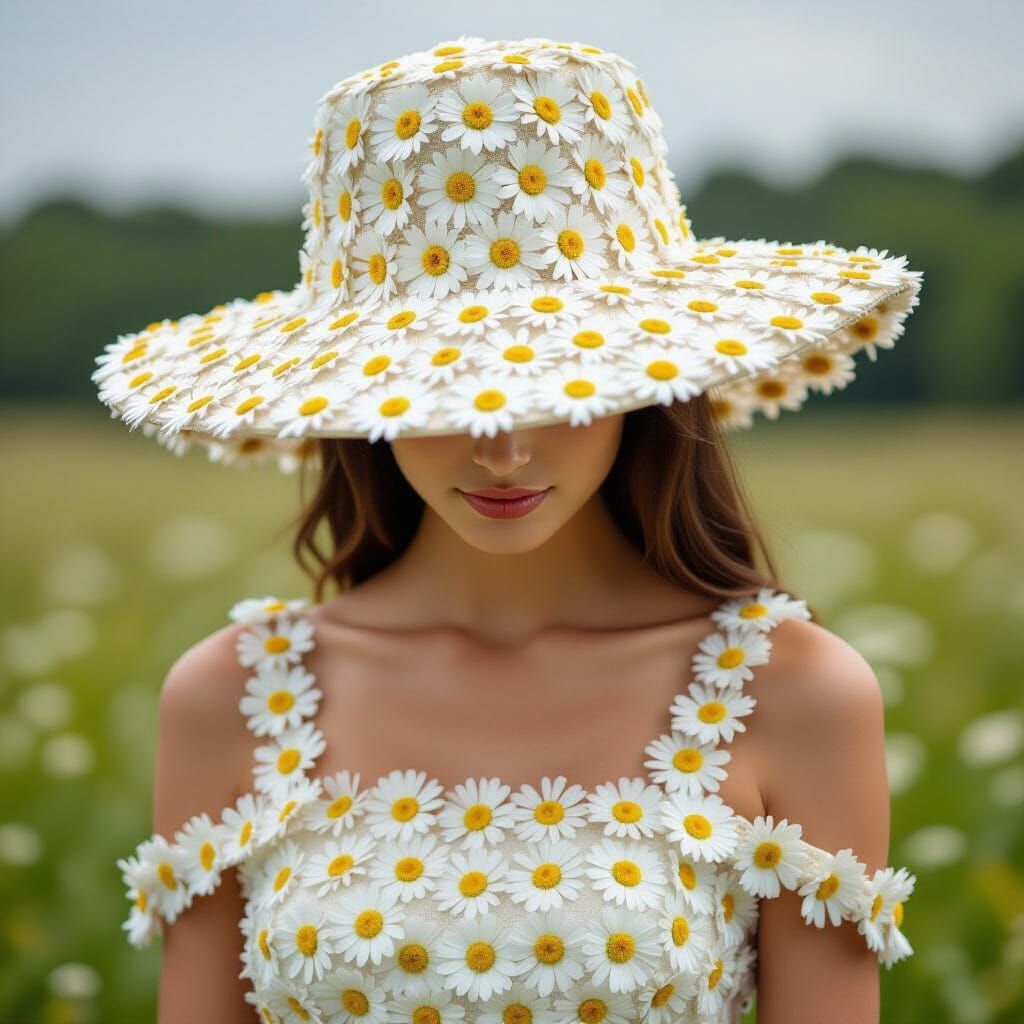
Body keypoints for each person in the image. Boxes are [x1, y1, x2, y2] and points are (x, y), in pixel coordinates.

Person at [100, 35, 923, 1024]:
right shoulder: (233, 697)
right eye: (443, 381)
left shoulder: (789, 694)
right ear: (365, 392)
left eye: (555, 379)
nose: (500, 446)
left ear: (644, 380)